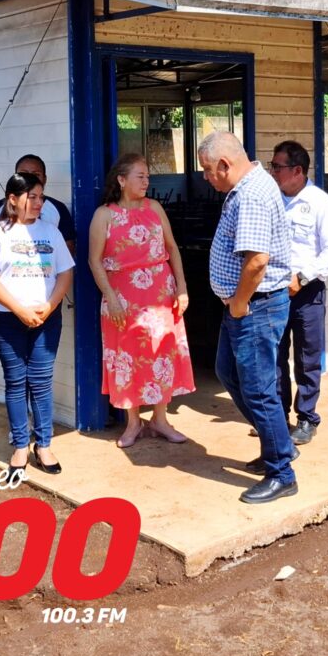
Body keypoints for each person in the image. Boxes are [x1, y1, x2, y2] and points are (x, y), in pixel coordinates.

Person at [197, 131, 297, 504]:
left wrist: (239, 303)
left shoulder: (251, 195)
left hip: (255, 306)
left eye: (208, 170)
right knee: (228, 372)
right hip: (248, 306)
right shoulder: (247, 187)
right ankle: (279, 444)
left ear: (225, 164)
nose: (205, 177)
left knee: (258, 389)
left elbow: (256, 261)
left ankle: (282, 473)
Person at [0, 171, 74, 479]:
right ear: (13, 199)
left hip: (46, 319)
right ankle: (19, 446)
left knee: (41, 381)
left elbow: (65, 273)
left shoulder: (51, 232)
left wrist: (50, 306)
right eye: (33, 197)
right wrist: (19, 310)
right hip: (7, 321)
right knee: (16, 381)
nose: (39, 203)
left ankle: (44, 445)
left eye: (41, 197)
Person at [88, 153, 195, 449]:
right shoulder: (104, 215)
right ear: (122, 180)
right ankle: (133, 422)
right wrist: (111, 297)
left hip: (161, 293)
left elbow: (172, 248)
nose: (146, 181)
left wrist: (182, 287)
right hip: (122, 297)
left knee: (162, 354)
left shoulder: (155, 208)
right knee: (127, 357)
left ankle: (160, 419)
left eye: (148, 176)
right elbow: (94, 261)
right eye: (140, 176)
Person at [268, 140, 328, 445]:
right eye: (272, 166)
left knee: (306, 357)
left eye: (278, 167)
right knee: (275, 356)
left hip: (307, 292)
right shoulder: (272, 201)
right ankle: (278, 417)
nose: (273, 172)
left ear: (297, 170)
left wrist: (301, 277)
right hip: (274, 291)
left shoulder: (321, 203)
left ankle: (307, 418)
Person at [0, 154, 76, 252]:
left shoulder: (57, 209)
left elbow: (67, 249)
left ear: (44, 179)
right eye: (23, 174)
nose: (30, 179)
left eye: (36, 174)